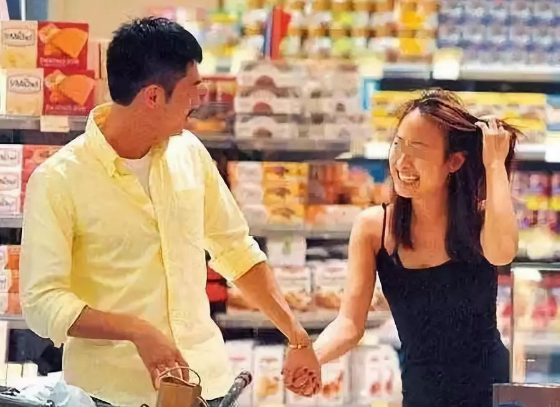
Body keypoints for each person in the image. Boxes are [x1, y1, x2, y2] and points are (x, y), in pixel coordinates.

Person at [20, 17, 320, 407]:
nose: (200, 99)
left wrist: (297, 336)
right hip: (109, 395)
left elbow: (236, 251)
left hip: (203, 386)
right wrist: (136, 331)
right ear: (153, 96)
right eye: (192, 88)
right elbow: (42, 302)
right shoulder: (58, 179)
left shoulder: (189, 153)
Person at [286, 90, 519, 406]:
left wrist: (494, 164)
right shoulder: (374, 228)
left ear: (454, 161)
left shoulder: (480, 221)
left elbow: (503, 252)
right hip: (422, 395)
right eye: (398, 145)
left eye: (417, 150)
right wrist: (313, 357)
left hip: (493, 395)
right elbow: (349, 324)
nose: (401, 161)